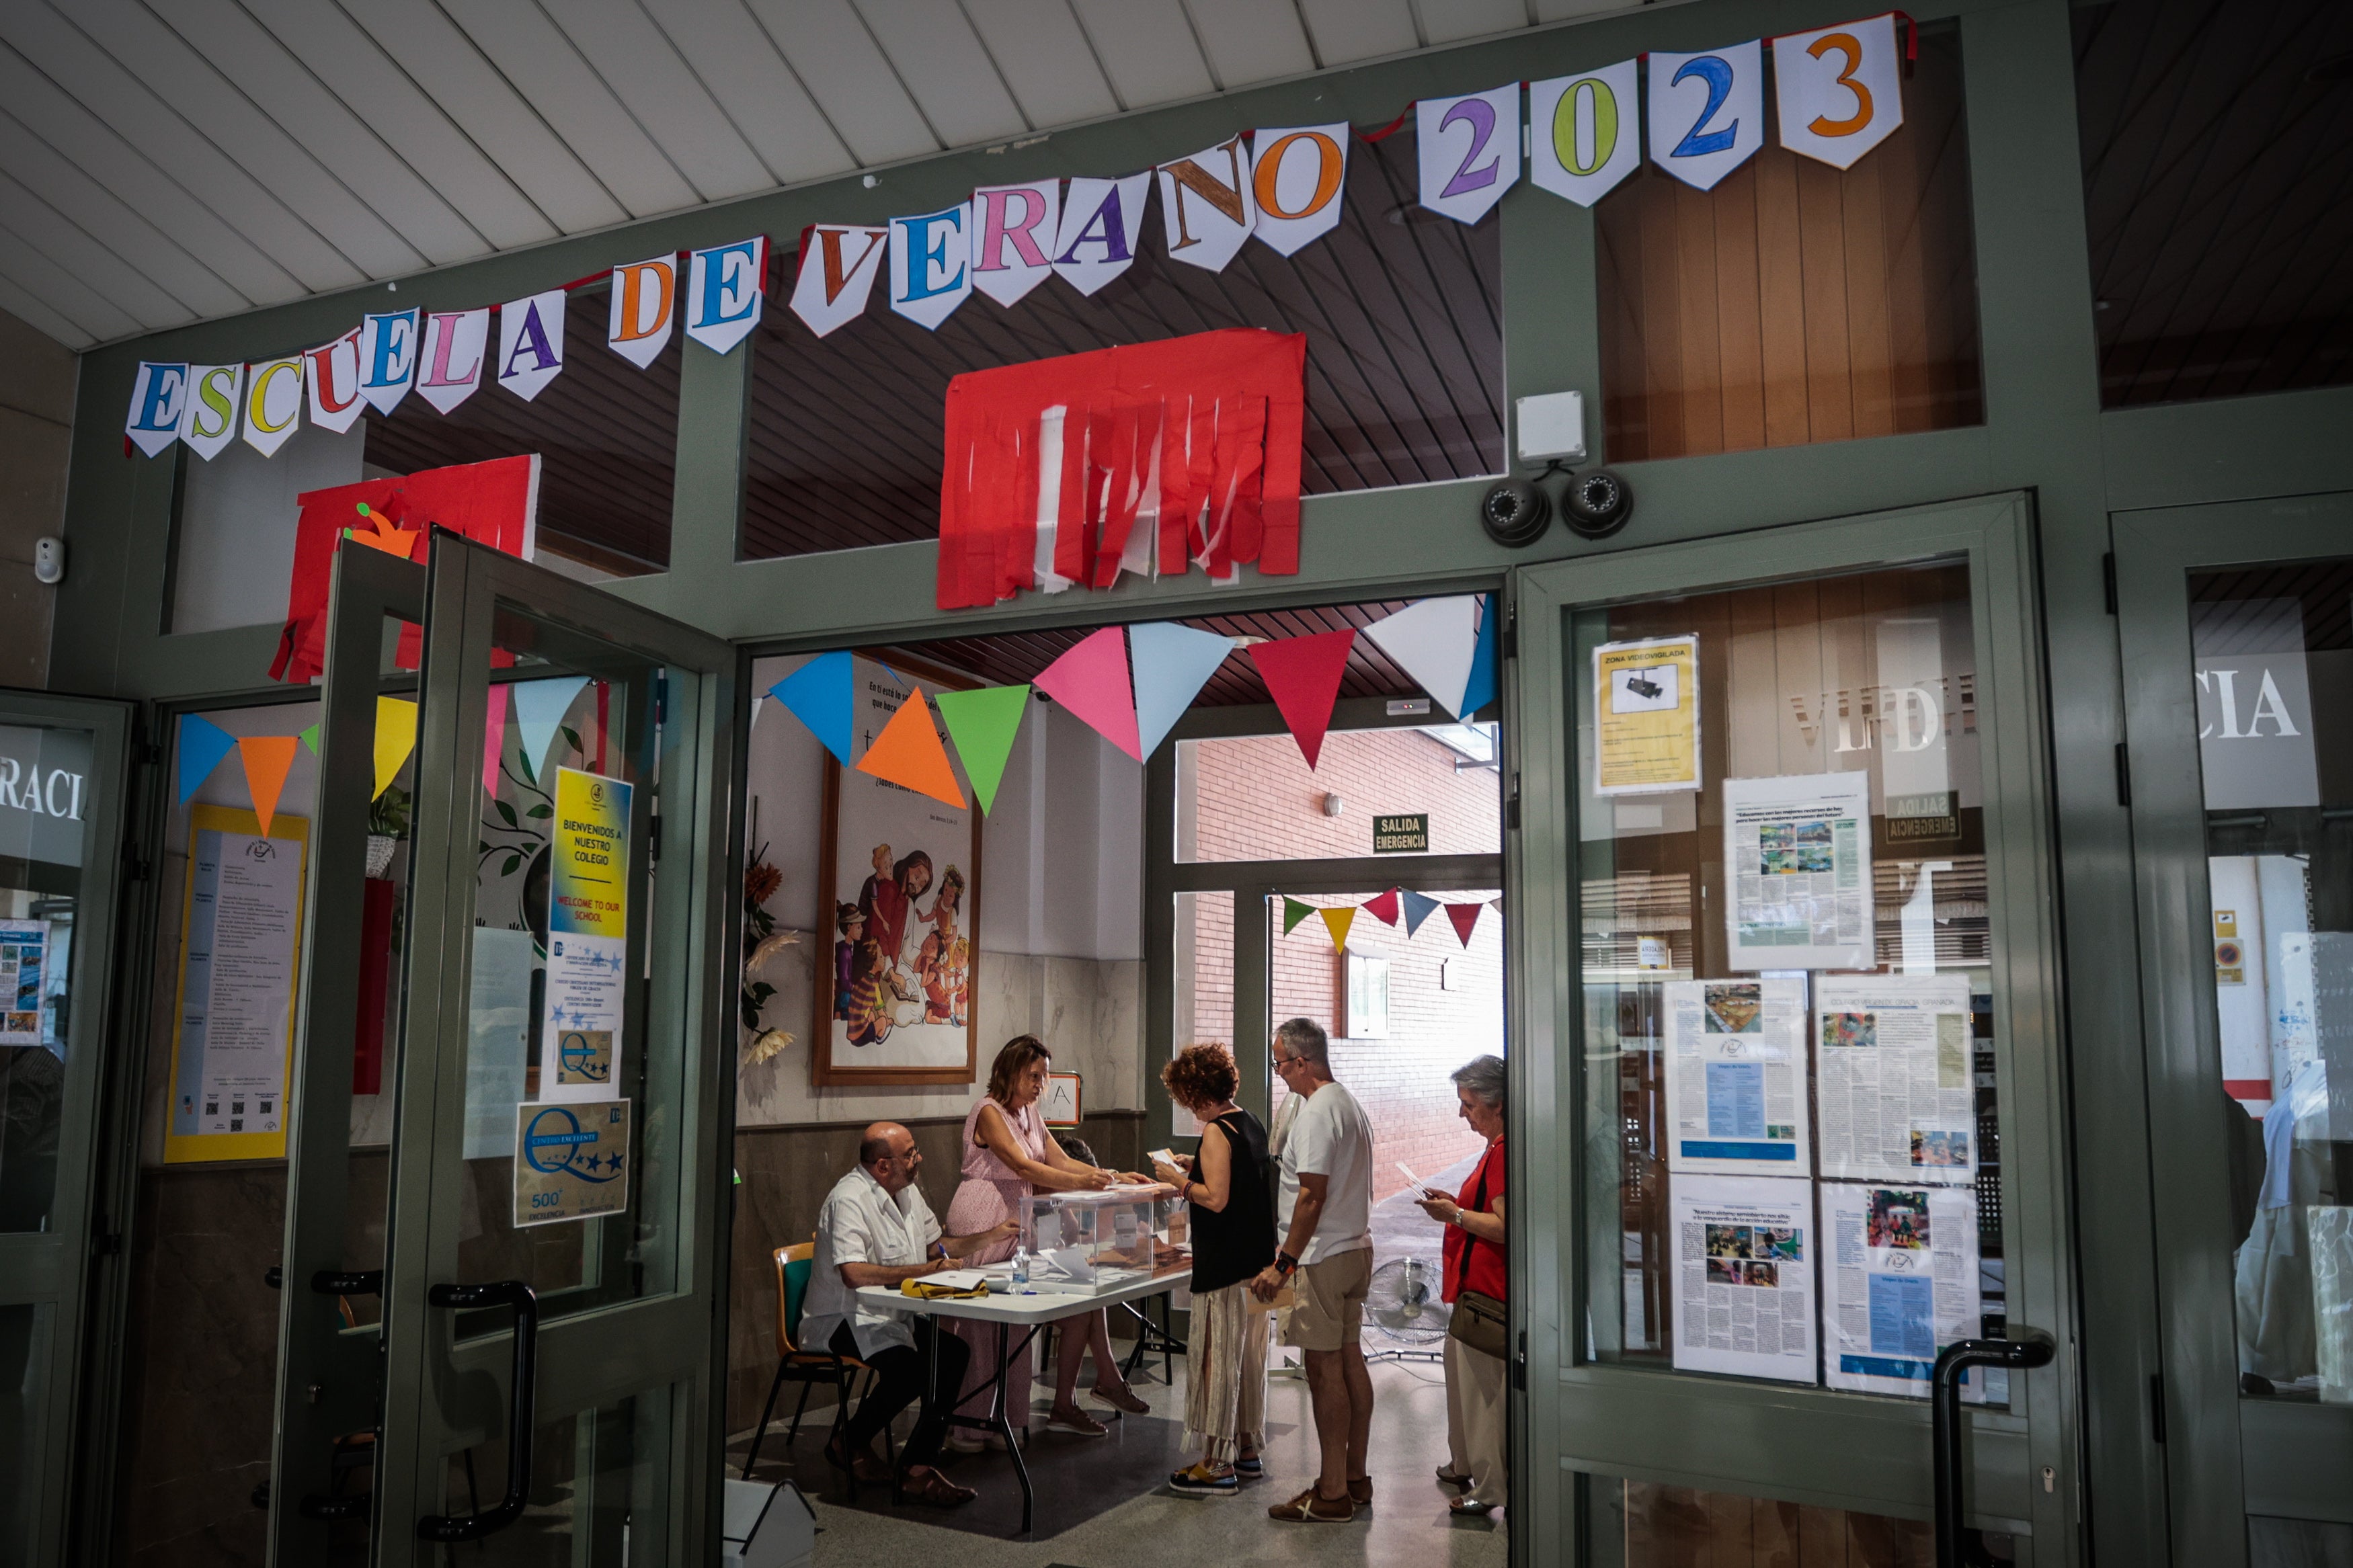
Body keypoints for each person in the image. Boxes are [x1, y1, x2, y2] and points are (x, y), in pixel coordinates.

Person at [943, 1036, 1154, 1445]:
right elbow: (1022, 1165)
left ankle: (1011, 1416)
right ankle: (970, 1424)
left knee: (1041, 1308)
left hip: (1021, 1218)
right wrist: (1082, 1182)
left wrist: (1112, 1175)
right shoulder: (988, 1111)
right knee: (983, 1322)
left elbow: (1056, 1159)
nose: (1041, 1084)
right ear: (1010, 1071)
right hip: (983, 1214)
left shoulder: (1030, 1112)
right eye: (1034, 1075)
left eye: (1044, 1077)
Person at [797, 1122, 1018, 1508]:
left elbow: (937, 1248)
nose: (919, 1159)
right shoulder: (847, 1200)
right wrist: (921, 1272)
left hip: (892, 1314)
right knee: (911, 1369)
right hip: (843, 1318)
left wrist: (992, 1235)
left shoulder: (907, 1191)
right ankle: (847, 1441)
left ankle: (917, 1466)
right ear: (883, 1166)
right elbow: (854, 1273)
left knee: (952, 1354)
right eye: (911, 1154)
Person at [1250, 1018, 1375, 1523]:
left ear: (1302, 1061)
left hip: (1322, 1255)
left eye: (1280, 1063)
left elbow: (1310, 1194)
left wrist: (1284, 1264)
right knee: (1349, 1361)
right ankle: (1355, 1476)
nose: (1278, 1073)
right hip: (1353, 1248)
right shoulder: (1349, 1103)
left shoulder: (1317, 1111)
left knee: (1324, 1372)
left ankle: (1331, 1493)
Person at [1154, 1044, 1274, 1497]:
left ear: (1193, 1090)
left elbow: (1217, 1198)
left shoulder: (1215, 1131)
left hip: (1224, 1264)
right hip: (1257, 1263)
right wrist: (1194, 1165)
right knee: (1248, 1361)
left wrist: (1177, 1180)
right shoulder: (1249, 1122)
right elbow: (1240, 1179)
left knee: (1217, 1362)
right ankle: (1246, 1449)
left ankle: (1215, 1462)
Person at [1416, 1055, 1508, 1516]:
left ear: (1495, 1103)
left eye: (1469, 1105)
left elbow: (1505, 1225)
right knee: (1464, 1385)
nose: (1462, 1114)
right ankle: (1465, 1462)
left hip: (1489, 1293)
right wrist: (1454, 1205)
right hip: (1472, 1289)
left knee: (1483, 1398)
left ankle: (1490, 1487)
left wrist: (1453, 1214)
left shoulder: (1505, 1150)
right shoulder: (1494, 1149)